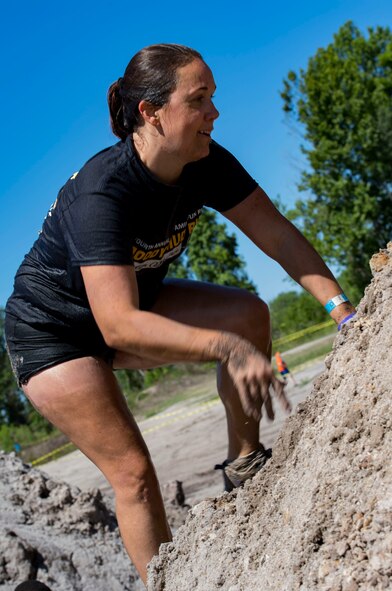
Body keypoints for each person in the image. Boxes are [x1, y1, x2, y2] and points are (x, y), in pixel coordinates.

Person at [4, 43, 356, 585]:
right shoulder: (102, 193)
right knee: (134, 474)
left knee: (248, 314)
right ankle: (166, 582)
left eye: (213, 97)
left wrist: (344, 313)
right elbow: (117, 325)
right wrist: (225, 348)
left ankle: (245, 465)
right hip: (54, 333)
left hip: (136, 300)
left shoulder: (205, 160)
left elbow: (278, 234)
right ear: (150, 111)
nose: (214, 112)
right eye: (200, 99)